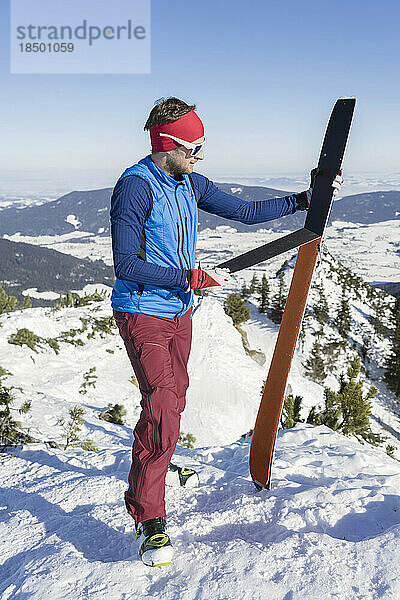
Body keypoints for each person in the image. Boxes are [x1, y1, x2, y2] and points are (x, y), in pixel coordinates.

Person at [110, 97, 339, 567]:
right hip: (143, 310)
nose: (200, 156)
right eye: (194, 147)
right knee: (160, 401)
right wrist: (189, 277)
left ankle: (156, 464)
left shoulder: (189, 182)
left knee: (173, 401)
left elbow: (247, 211)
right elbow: (126, 263)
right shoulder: (134, 188)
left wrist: (302, 201)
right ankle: (148, 517)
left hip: (180, 311)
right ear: (167, 143)